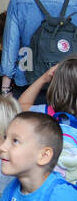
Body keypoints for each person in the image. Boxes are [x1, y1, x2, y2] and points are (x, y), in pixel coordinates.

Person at [0, 0, 70, 104]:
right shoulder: (74, 2)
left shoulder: (19, 1)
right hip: (66, 83)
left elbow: (10, 47)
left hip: (27, 80)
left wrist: (5, 89)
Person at [15, 56, 77, 184]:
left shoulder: (46, 114)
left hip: (46, 186)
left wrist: (44, 78)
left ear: (55, 86)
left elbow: (20, 107)